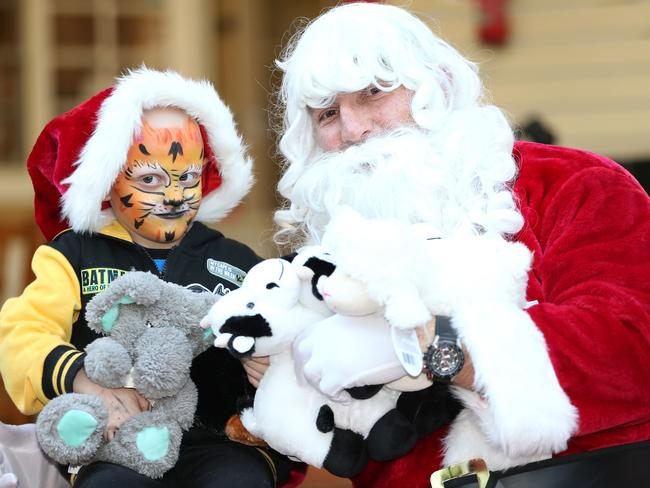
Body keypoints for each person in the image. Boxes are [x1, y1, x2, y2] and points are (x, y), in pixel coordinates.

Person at [268, 3, 650, 487]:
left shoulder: (575, 185)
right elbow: (309, 444)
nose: (352, 131)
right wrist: (266, 371)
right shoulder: (323, 264)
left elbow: (633, 346)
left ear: (439, 85)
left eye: (372, 92)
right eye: (327, 114)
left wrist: (437, 345)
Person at [0, 67, 303, 487]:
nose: (175, 196)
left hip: (221, 445)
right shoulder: (73, 254)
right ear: (108, 180)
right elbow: (21, 333)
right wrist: (81, 378)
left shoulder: (240, 263)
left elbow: (291, 336)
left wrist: (271, 366)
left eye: (189, 178)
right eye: (149, 179)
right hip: (114, 440)